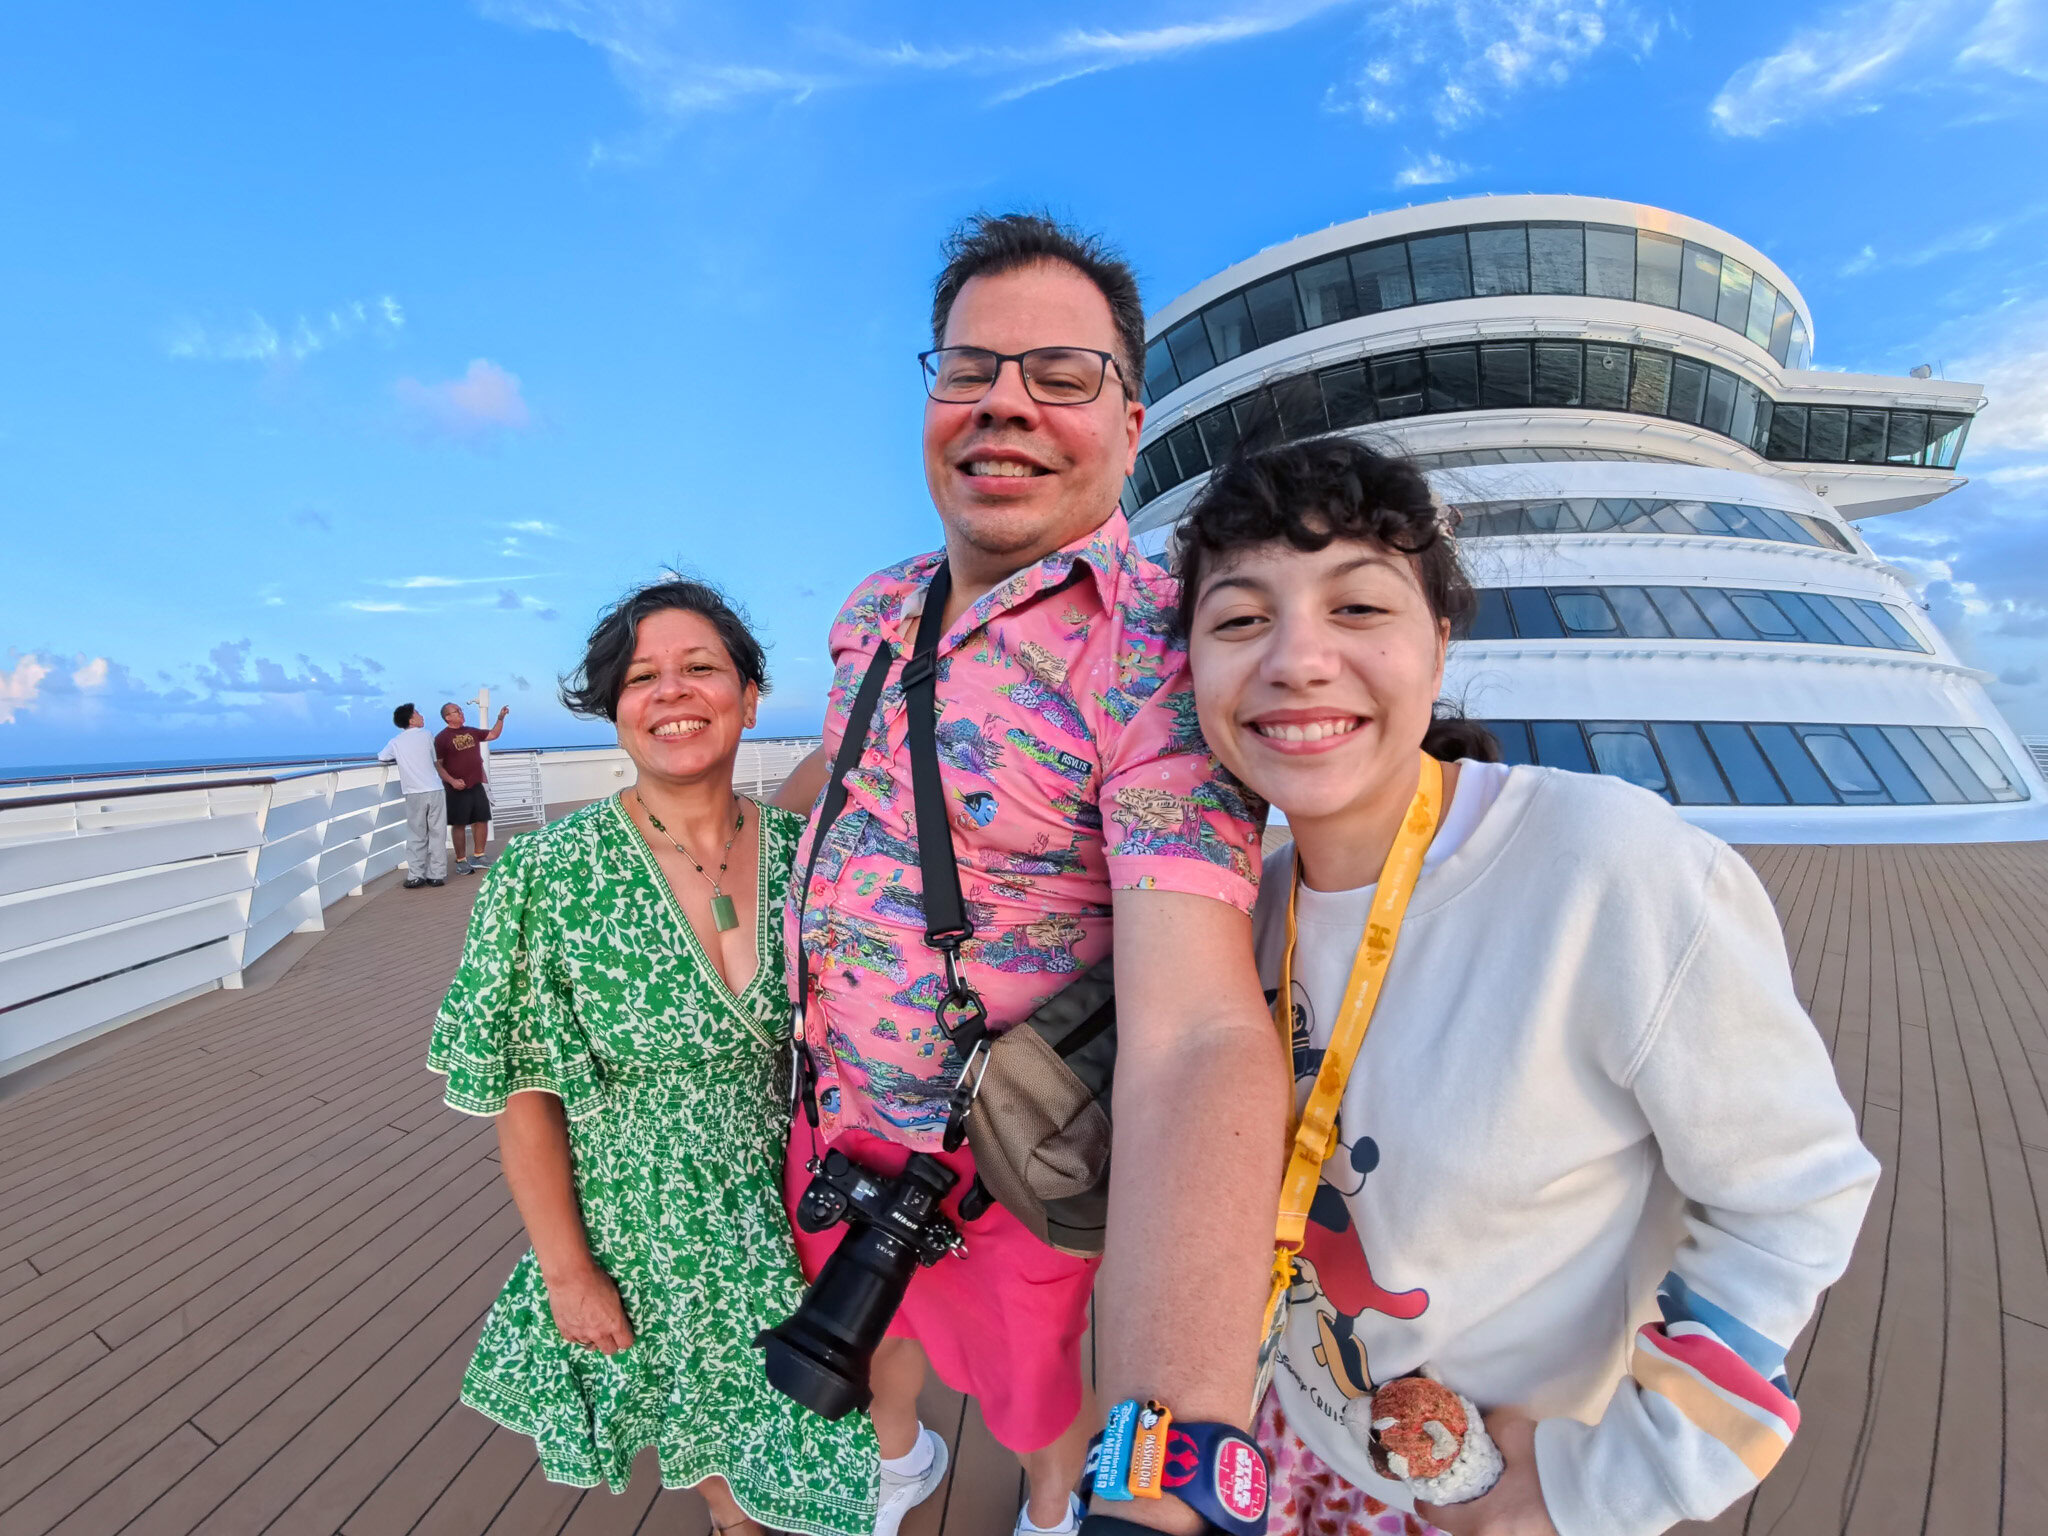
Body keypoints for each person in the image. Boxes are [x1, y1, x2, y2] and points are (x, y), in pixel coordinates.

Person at [1173, 435, 1880, 1536]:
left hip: (1492, 1494)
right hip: (1290, 1442)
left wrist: (1602, 1485)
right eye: (1237, 619)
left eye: (1357, 610)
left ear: (1438, 640)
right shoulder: (1242, 909)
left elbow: (1791, 1196)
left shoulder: (1607, 867)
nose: (1296, 661)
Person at [770, 213, 1288, 1536]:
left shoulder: (1158, 656)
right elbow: (836, 773)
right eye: (969, 369)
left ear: (1130, 421)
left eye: (1062, 374)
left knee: (1039, 1391)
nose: (1005, 402)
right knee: (859, 1324)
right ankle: (894, 1471)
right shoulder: (876, 608)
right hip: (832, 1111)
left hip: (1005, 1158)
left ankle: (1056, 1509)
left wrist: (1171, 1473)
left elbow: (1199, 1028)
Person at [427, 580, 877, 1536]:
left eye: (700, 668)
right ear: (614, 709)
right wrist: (566, 1272)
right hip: (651, 1238)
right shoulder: (548, 874)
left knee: (832, 1461)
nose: (672, 692)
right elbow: (524, 1097)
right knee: (735, 1489)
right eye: (642, 677)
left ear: (750, 696)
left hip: (802, 1210)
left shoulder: (811, 857)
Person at [380, 703, 449, 889]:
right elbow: (434, 759)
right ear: (411, 720)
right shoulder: (426, 735)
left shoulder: (396, 742)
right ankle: (436, 874)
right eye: (417, 713)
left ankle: (415, 874)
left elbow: (382, 757)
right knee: (437, 833)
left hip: (413, 792)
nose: (421, 716)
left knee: (416, 834)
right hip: (434, 789)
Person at [437, 700, 511, 874]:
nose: (461, 713)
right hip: (457, 788)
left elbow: (493, 735)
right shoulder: (442, 738)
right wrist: (452, 780)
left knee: (481, 820)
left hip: (476, 783)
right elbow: (438, 765)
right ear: (448, 717)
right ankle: (461, 860)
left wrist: (500, 718)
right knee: (459, 824)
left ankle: (479, 856)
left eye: (461, 710)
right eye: (457, 711)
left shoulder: (471, 731)